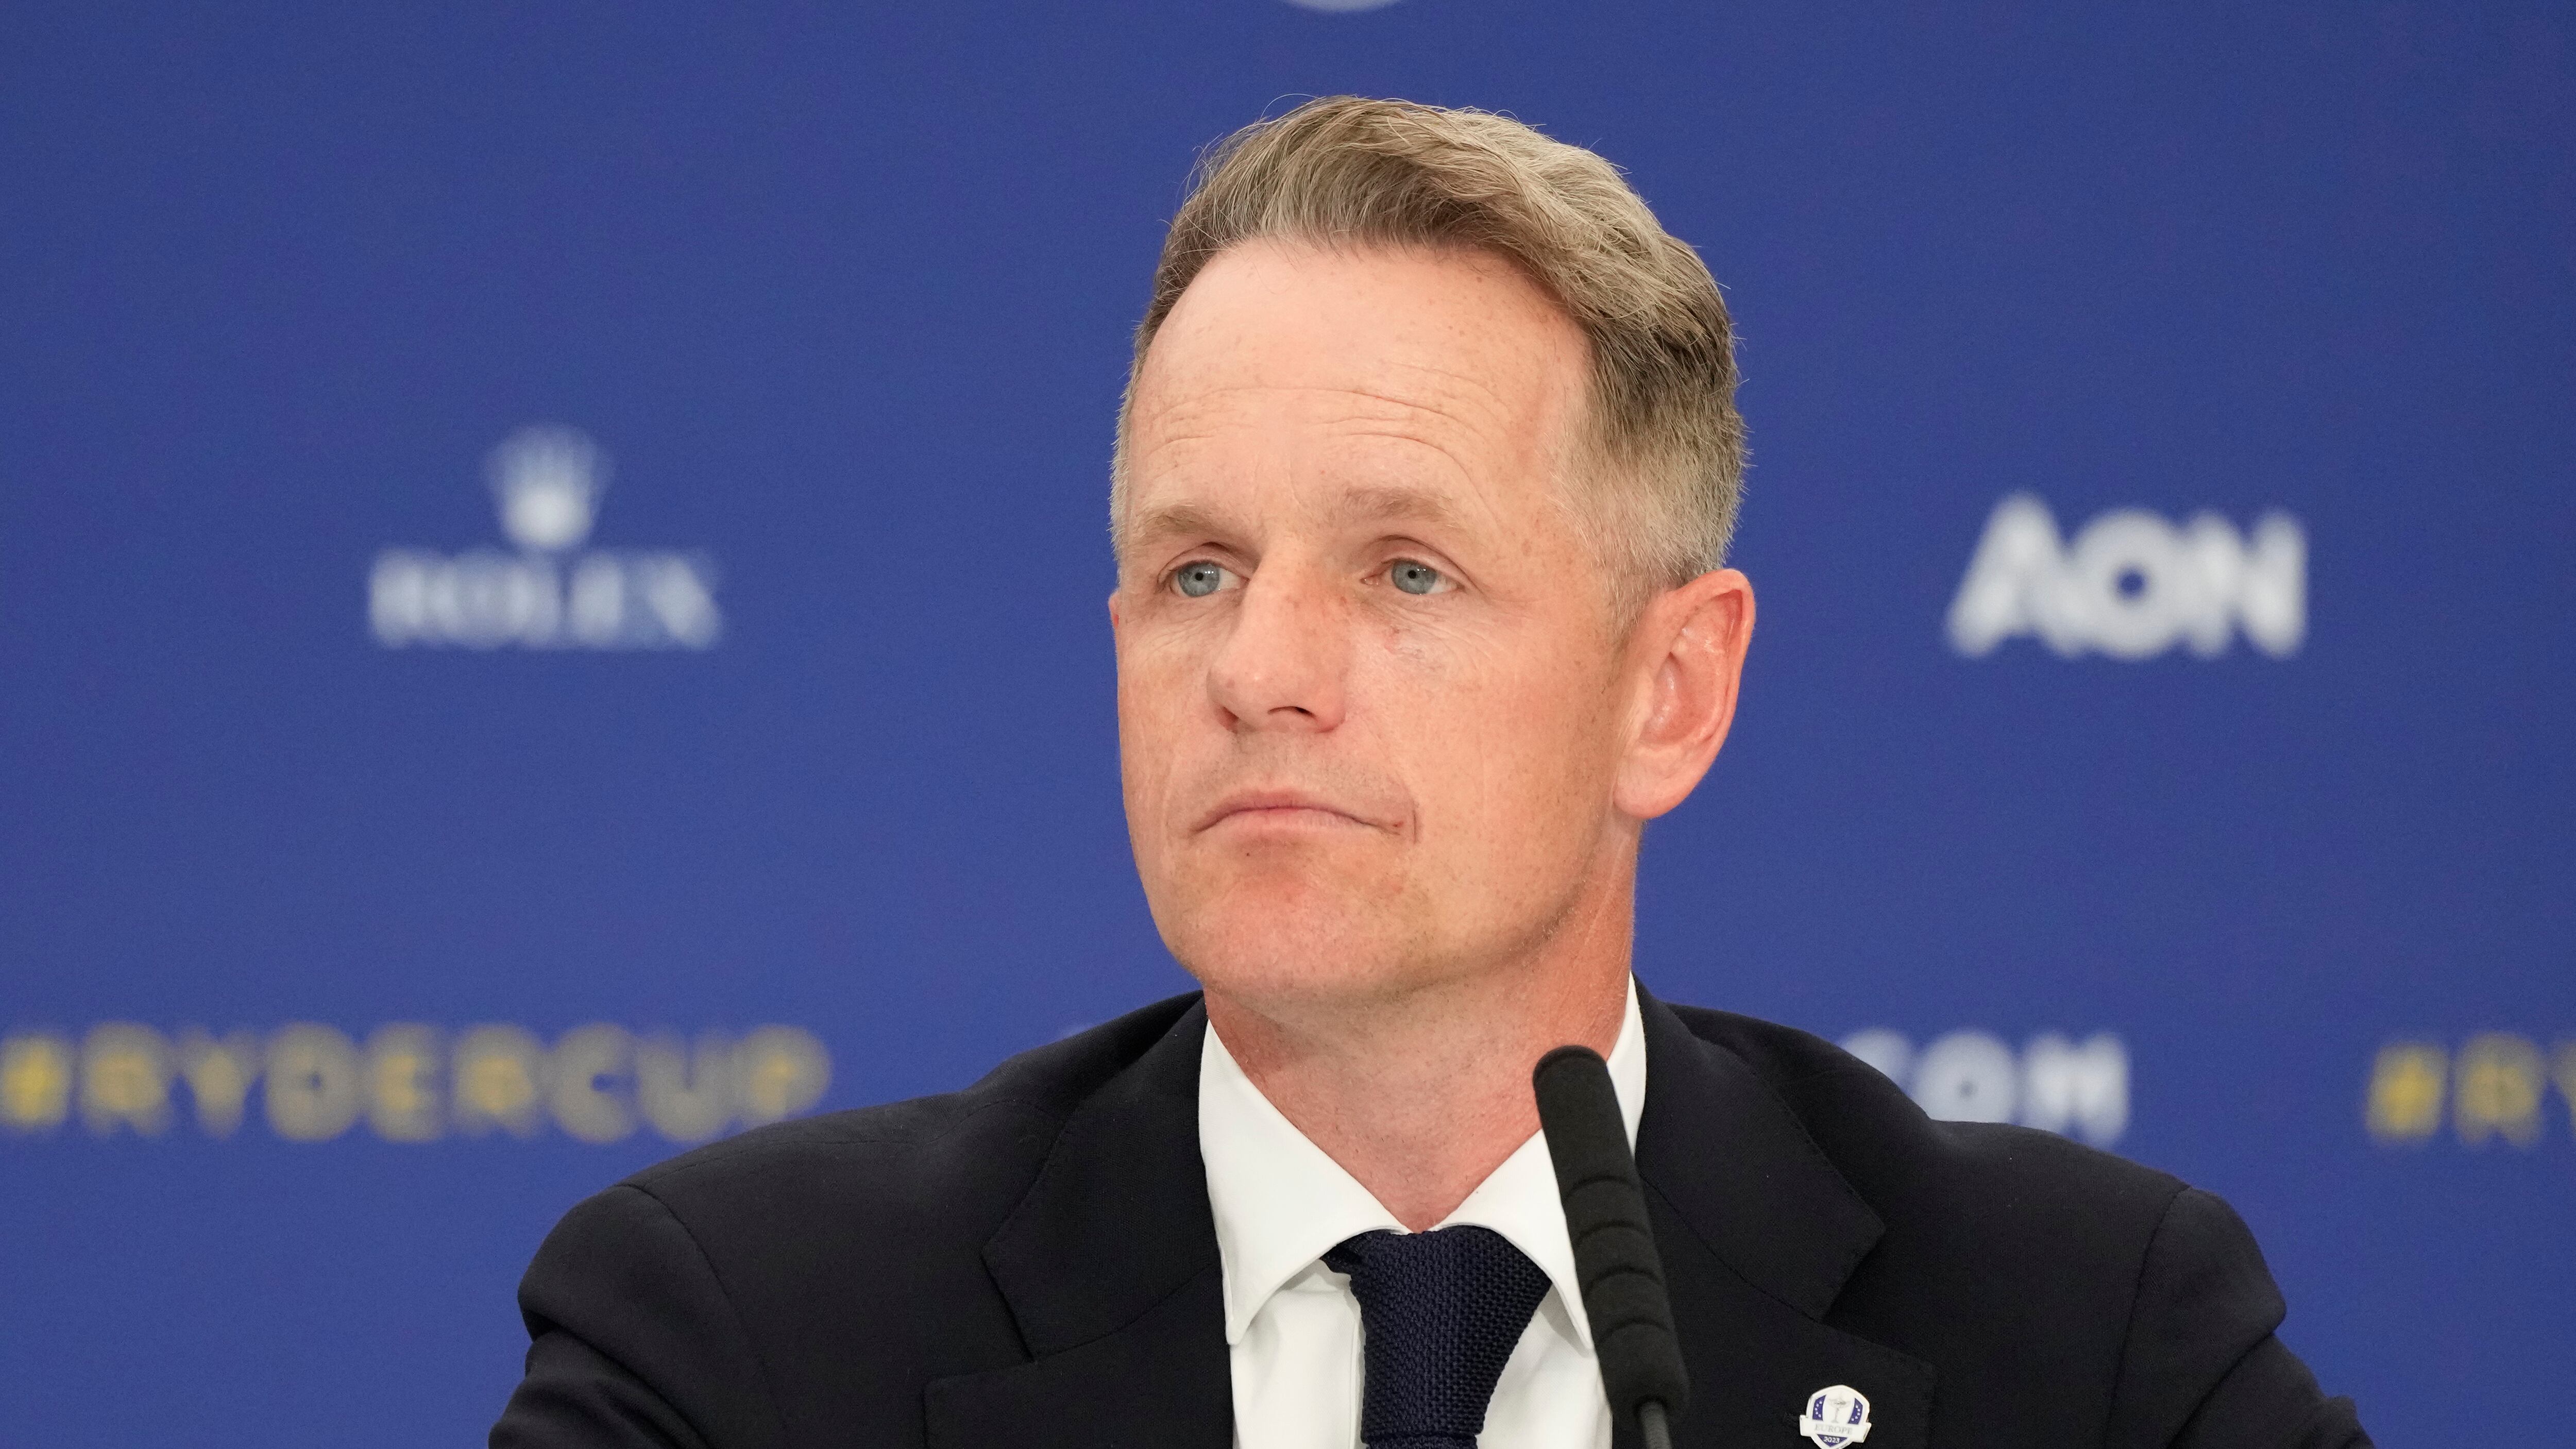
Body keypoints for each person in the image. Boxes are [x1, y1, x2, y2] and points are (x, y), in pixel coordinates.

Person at [488, 97, 2368, 1449]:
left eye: (1406, 571)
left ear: (1671, 692)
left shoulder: (2092, 1345)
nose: (1259, 672)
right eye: (1197, 572)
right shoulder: (740, 1344)